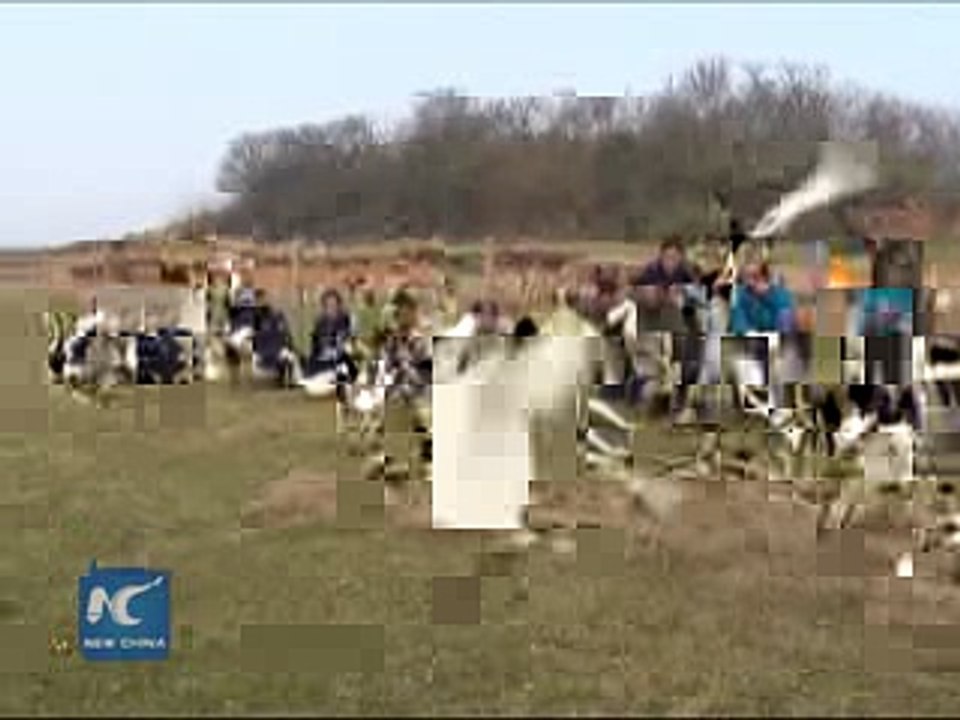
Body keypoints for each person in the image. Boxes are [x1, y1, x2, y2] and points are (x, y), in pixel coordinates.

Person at [728, 261, 798, 415]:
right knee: (737, 354)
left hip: (777, 342)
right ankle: (749, 403)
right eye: (746, 277)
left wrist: (766, 295)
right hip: (753, 342)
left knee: (781, 357)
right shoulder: (741, 294)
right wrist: (748, 332)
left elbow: (785, 321)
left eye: (755, 277)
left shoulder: (780, 294)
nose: (750, 281)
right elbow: (737, 317)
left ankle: (782, 403)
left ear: (765, 277)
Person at [305, 289, 358, 384]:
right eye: (328, 305)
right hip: (324, 358)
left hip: (342, 354)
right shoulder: (320, 321)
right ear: (324, 306)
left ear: (339, 304)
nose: (332, 307)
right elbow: (316, 345)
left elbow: (352, 338)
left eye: (334, 304)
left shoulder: (347, 318)